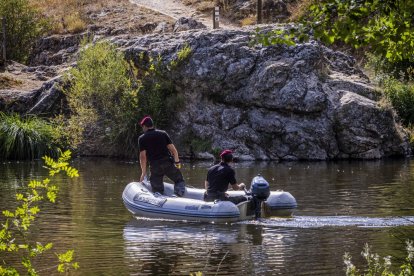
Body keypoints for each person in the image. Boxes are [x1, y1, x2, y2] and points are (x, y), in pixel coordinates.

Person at [138, 116, 186, 197]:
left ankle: (159, 197)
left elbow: (143, 157)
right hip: (167, 163)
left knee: (157, 188)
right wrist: (177, 162)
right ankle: (178, 195)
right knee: (179, 180)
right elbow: (173, 150)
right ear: (152, 125)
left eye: (142, 126)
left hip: (155, 166)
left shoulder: (142, 138)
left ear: (144, 126)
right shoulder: (163, 134)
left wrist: (143, 173)